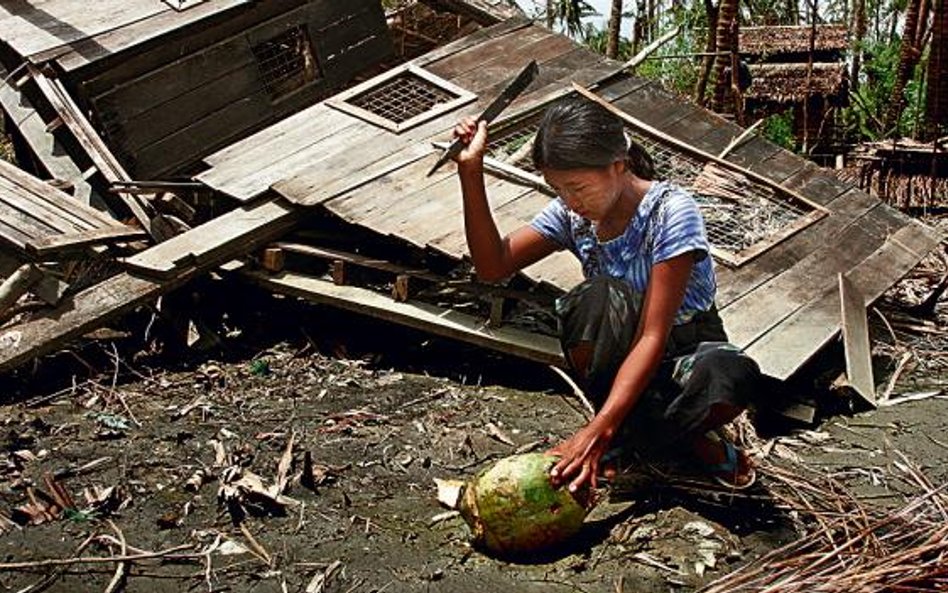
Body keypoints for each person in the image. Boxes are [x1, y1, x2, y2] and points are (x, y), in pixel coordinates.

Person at [452, 95, 762, 494]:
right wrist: (470, 173)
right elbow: (493, 266)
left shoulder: (671, 211)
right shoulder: (572, 216)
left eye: (578, 187)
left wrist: (597, 430)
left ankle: (636, 437)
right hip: (619, 360)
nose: (570, 201)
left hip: (682, 350)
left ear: (618, 166)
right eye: (559, 189)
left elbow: (653, 334)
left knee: (730, 376)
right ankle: (670, 437)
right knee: (596, 298)